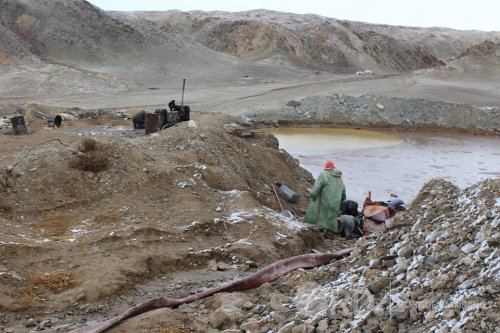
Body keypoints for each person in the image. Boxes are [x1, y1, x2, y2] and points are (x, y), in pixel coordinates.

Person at [304, 160, 346, 232]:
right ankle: (330, 230)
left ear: (326, 167)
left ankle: (318, 228)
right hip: (335, 203)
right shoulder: (339, 178)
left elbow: (316, 188)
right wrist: (341, 201)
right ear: (333, 167)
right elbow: (344, 192)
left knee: (317, 213)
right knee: (331, 217)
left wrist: (312, 195)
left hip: (324, 201)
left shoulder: (324, 174)